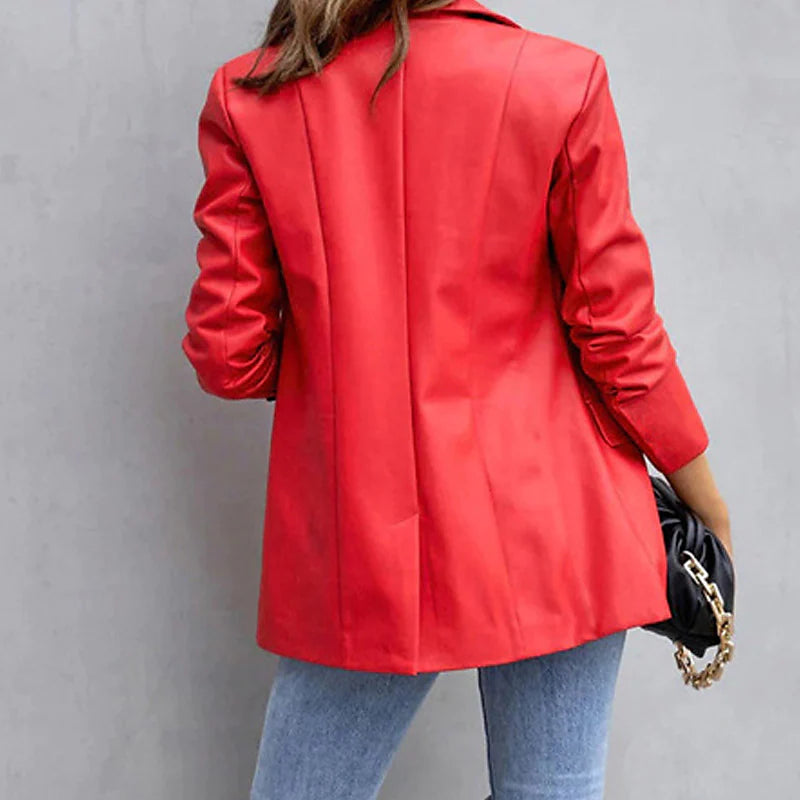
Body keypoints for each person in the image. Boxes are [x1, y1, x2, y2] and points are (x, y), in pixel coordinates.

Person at [180, 1, 733, 797]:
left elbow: (227, 357)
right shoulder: (560, 79)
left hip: (366, 536)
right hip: (560, 523)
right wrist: (705, 500)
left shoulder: (253, 96)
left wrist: (348, 371)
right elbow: (619, 331)